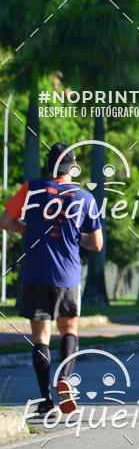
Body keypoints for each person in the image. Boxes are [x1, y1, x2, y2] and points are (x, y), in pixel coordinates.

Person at [0, 142, 103, 416]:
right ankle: (65, 379)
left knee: (41, 338)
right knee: (69, 330)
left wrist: (29, 228)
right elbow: (96, 243)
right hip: (67, 276)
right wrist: (71, 235)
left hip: (35, 273)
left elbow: (5, 221)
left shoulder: (31, 188)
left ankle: (46, 400)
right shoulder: (84, 197)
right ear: (72, 166)